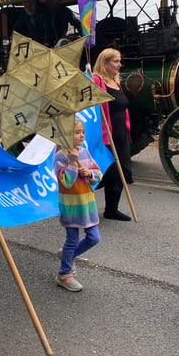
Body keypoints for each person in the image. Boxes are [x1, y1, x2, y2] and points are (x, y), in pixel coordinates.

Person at [54, 119, 101, 292]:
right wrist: (73, 163)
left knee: (94, 238)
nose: (81, 135)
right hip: (71, 205)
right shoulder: (60, 157)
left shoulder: (85, 152)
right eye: (76, 132)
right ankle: (64, 274)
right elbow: (66, 182)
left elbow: (98, 173)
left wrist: (89, 173)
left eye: (83, 132)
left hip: (87, 203)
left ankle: (68, 255)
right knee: (72, 239)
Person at [92, 48, 134, 221]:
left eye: (119, 61)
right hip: (104, 134)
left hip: (120, 134)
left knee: (121, 171)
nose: (119, 65)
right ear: (105, 63)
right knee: (106, 171)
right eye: (115, 61)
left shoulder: (116, 82)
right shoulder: (96, 80)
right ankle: (76, 202)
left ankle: (111, 209)